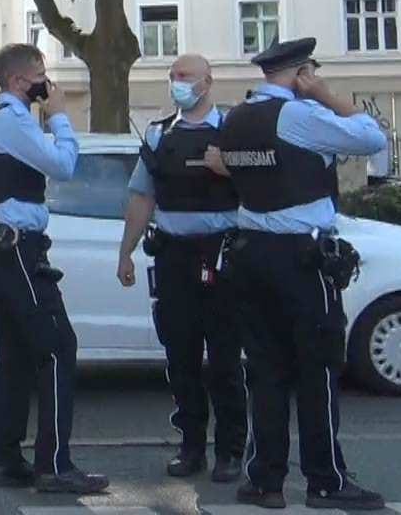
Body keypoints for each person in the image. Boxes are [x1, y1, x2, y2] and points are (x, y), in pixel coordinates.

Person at [211, 37, 390, 510]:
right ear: (301, 72)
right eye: (310, 72)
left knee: (265, 372)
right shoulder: (299, 116)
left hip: (250, 255)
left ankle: (264, 480)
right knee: (317, 370)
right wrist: (326, 94)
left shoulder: (237, 117)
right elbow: (372, 137)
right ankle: (325, 480)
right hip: (300, 259)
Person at [0, 43, 108, 496]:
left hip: (2, 247)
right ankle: (55, 465)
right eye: (42, 75)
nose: (49, 84)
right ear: (19, 82)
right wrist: (61, 117)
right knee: (57, 347)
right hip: (16, 250)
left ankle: (6, 461)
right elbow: (63, 166)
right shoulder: (12, 120)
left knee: (17, 355)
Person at [117, 53, 244, 483]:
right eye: (172, 77)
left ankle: (230, 450)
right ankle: (192, 447)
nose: (177, 82)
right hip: (173, 256)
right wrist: (126, 252)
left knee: (225, 360)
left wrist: (226, 167)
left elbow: (265, 188)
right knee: (181, 357)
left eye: (185, 76)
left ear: (208, 82)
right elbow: (141, 197)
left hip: (222, 256)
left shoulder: (233, 132)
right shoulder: (158, 136)